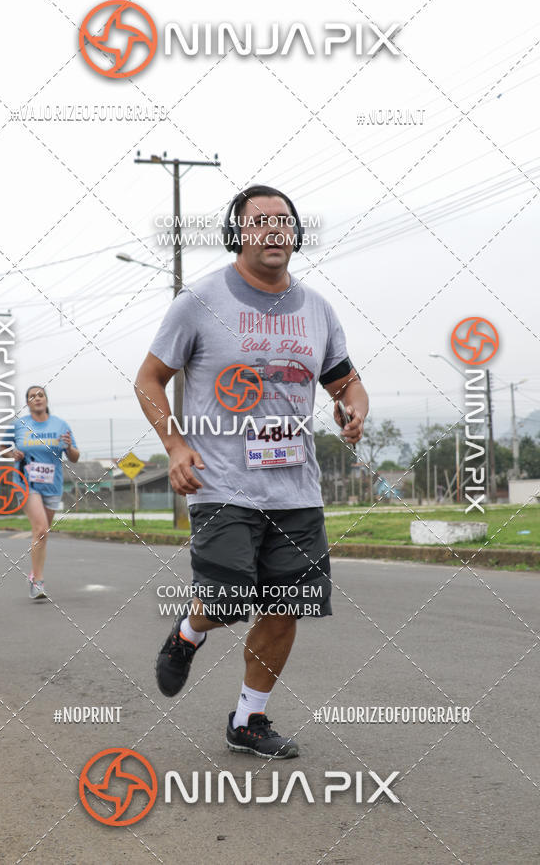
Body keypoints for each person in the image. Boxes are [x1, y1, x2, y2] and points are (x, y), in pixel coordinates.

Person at [135, 185, 368, 758]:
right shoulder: (201, 300)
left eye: (284, 221)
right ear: (238, 233)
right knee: (231, 598)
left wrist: (353, 406)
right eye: (259, 220)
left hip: (297, 487)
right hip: (221, 482)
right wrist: (175, 445)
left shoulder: (318, 309)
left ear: (296, 234)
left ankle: (249, 719)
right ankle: (187, 634)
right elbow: (149, 380)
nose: (273, 229)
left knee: (287, 607)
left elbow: (344, 380)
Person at [0, 386, 79, 600]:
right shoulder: (19, 425)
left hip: (52, 484)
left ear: (46, 400)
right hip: (26, 483)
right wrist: (11, 453)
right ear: (28, 402)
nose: (37, 399)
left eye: (40, 395)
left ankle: (34, 573)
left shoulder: (60, 425)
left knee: (42, 535)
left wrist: (70, 448)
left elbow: (74, 457)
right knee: (41, 529)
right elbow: (2, 448)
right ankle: (38, 583)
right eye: (32, 396)